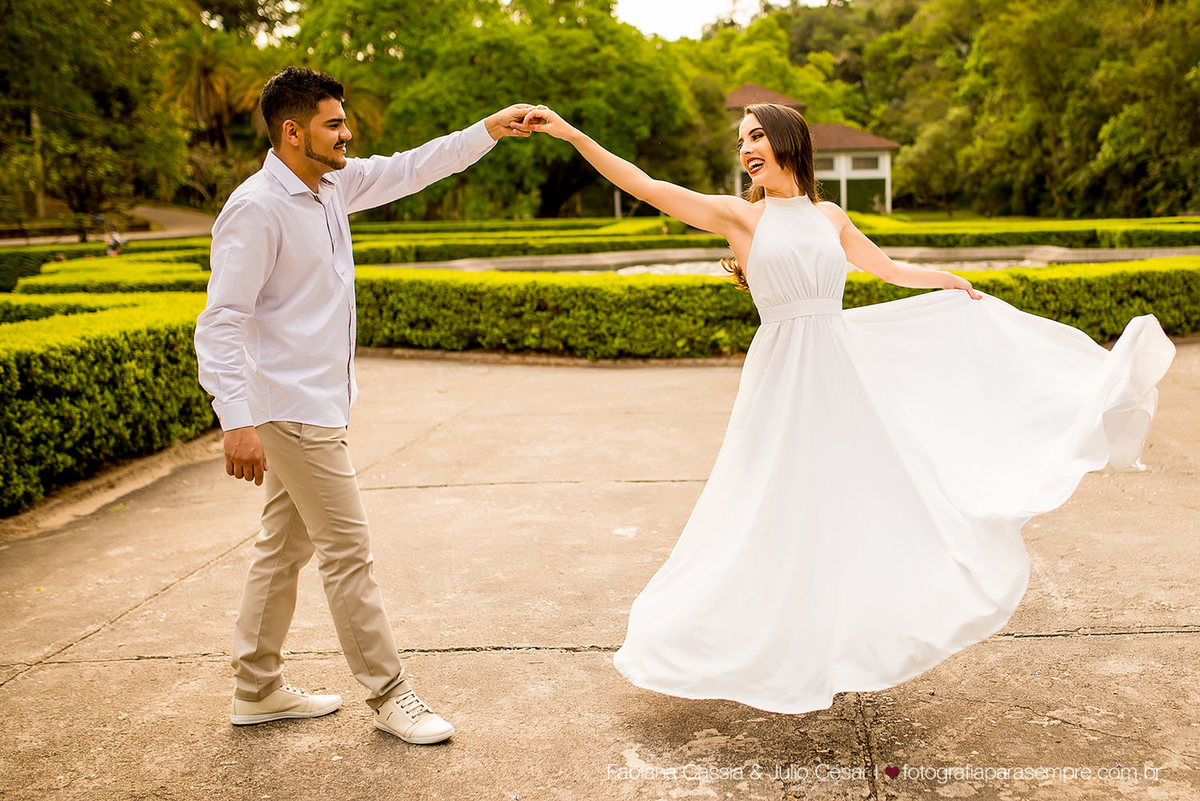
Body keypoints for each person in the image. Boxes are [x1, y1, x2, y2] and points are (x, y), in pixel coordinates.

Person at [523, 103, 1176, 714]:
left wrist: (944, 281)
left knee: (872, 495)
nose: (746, 147)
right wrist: (571, 134)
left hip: (840, 367)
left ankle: (851, 629)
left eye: (755, 135)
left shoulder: (830, 215)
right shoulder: (741, 216)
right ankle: (731, 635)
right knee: (765, 503)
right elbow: (642, 183)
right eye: (741, 139)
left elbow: (885, 268)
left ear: (788, 142)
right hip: (781, 375)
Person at [194, 67, 532, 743]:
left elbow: (413, 167)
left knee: (282, 547)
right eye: (334, 123)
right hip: (288, 409)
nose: (348, 132)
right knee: (348, 549)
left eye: (344, 120)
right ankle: (390, 693)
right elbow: (222, 320)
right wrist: (235, 419)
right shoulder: (257, 208)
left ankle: (255, 687)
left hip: (322, 402)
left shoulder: (332, 186)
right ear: (293, 132)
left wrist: (488, 129)